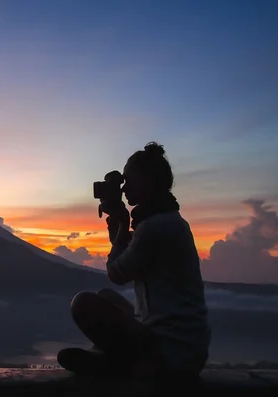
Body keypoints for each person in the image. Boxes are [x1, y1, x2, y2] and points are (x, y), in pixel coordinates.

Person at [57, 141, 211, 380]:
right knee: (105, 296)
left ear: (148, 181)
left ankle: (117, 362)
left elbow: (117, 271)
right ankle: (109, 356)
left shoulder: (155, 226)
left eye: (129, 180)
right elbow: (130, 253)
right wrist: (119, 221)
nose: (124, 188)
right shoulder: (166, 220)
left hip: (170, 353)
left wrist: (121, 220)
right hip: (185, 346)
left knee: (83, 304)